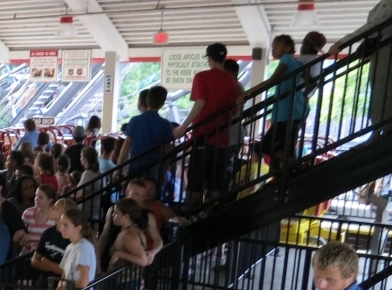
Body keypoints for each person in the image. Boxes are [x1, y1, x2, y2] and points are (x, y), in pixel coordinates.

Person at [173, 43, 243, 203]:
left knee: (195, 184)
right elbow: (233, 112)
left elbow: (200, 103)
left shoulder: (201, 77)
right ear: (224, 58)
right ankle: (209, 216)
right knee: (215, 184)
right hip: (222, 139)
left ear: (209, 59)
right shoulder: (233, 84)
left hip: (203, 136)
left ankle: (190, 217)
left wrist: (183, 126)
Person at [329, 0, 392, 134]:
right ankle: (378, 131)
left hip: (386, 51)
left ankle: (381, 132)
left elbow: (374, 25)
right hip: (381, 49)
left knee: (383, 90)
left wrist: (343, 42)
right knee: (379, 90)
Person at [248, 35, 314, 170]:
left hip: (286, 113)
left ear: (288, 48)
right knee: (286, 147)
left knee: (266, 145)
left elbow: (272, 80)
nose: (273, 50)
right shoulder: (297, 63)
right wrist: (301, 96)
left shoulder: (286, 59)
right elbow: (312, 83)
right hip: (298, 111)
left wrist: (246, 94)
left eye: (276, 47)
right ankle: (288, 175)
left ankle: (298, 166)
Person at [118, 85, 173, 181]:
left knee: (135, 193)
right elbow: (166, 151)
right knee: (151, 193)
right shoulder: (166, 125)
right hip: (155, 166)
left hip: (135, 165)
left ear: (147, 100)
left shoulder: (135, 121)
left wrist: (118, 168)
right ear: (162, 104)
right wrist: (164, 172)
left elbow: (126, 145)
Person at [20, 184, 56, 253]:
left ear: (49, 200)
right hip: (28, 251)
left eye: (40, 197)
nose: (36, 198)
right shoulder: (28, 212)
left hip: (47, 253)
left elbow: (56, 240)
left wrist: (35, 237)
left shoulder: (55, 216)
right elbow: (22, 235)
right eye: (36, 195)